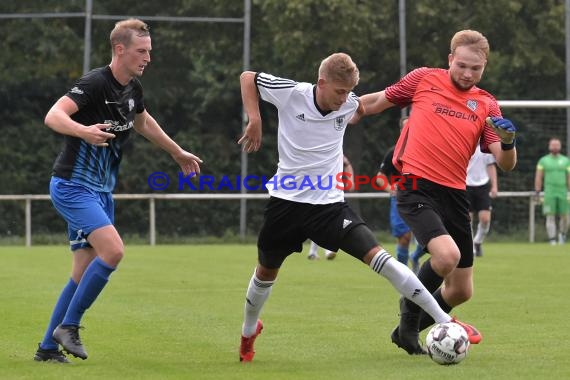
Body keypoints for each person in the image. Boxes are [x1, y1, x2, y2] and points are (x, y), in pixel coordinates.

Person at [236, 52, 479, 362]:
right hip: (285, 205)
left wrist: (426, 109)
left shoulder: (350, 103)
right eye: (339, 91)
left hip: (329, 208)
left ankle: (445, 321)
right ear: (321, 83)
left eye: (350, 91)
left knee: (384, 261)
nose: (345, 98)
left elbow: (373, 103)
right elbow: (248, 77)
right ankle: (247, 331)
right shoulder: (291, 92)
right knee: (265, 273)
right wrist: (254, 119)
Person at [33, 18, 202, 363]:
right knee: (114, 252)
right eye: (142, 51)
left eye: (149, 51)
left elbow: (143, 122)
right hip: (72, 186)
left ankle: (48, 349)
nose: (148, 58)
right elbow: (54, 116)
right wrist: (83, 131)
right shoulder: (95, 83)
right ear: (120, 49)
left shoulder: (132, 89)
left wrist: (177, 151)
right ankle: (70, 326)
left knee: (81, 272)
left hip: (101, 192)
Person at [354, 29, 517, 355]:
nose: (468, 74)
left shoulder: (486, 104)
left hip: (456, 194)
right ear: (450, 59)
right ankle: (409, 314)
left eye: (476, 69)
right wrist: (338, 109)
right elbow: (375, 102)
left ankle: (406, 321)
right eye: (462, 66)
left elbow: (506, 163)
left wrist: (509, 142)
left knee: (461, 291)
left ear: (484, 67)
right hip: (416, 187)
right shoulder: (424, 79)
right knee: (446, 257)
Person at [376, 116, 424, 271]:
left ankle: (415, 257)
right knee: (404, 238)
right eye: (405, 128)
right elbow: (380, 177)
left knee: (429, 239)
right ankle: (405, 276)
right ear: (401, 130)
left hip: (423, 197)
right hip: (401, 199)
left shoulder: (426, 150)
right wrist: (390, 189)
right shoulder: (393, 152)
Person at [307, 155, 354, 261]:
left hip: (330, 190)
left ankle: (314, 252)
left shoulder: (334, 151)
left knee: (321, 219)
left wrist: (350, 180)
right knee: (323, 219)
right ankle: (323, 250)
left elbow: (347, 164)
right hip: (319, 189)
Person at [534, 137, 570, 245]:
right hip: (549, 192)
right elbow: (539, 177)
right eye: (553, 145)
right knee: (550, 216)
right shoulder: (543, 160)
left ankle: (562, 234)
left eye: (557, 145)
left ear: (560, 146)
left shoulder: (566, 161)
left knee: (565, 217)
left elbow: (569, 177)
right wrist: (537, 190)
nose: (555, 147)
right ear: (549, 146)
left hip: (563, 192)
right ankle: (552, 239)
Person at [467, 144, 498, 256]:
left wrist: (494, 186)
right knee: (467, 220)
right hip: (465, 185)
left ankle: (478, 241)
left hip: (483, 186)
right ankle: (470, 247)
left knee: (485, 219)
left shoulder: (486, 148)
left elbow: (491, 166)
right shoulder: (464, 144)